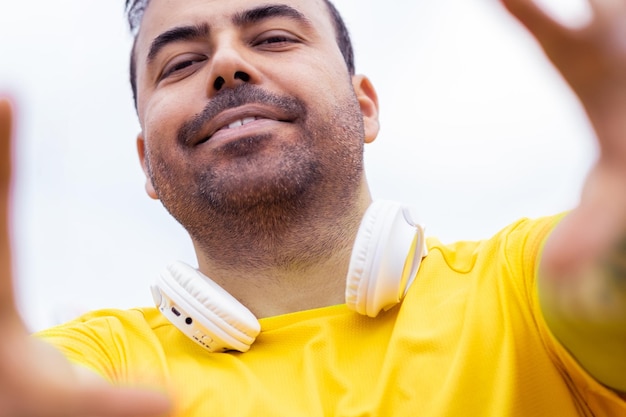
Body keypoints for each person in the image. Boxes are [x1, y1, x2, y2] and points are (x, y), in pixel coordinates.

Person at [1, 0, 626, 415]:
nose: (226, 65)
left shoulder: (525, 293)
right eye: (182, 63)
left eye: (273, 37)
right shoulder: (102, 366)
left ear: (365, 106)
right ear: (146, 164)